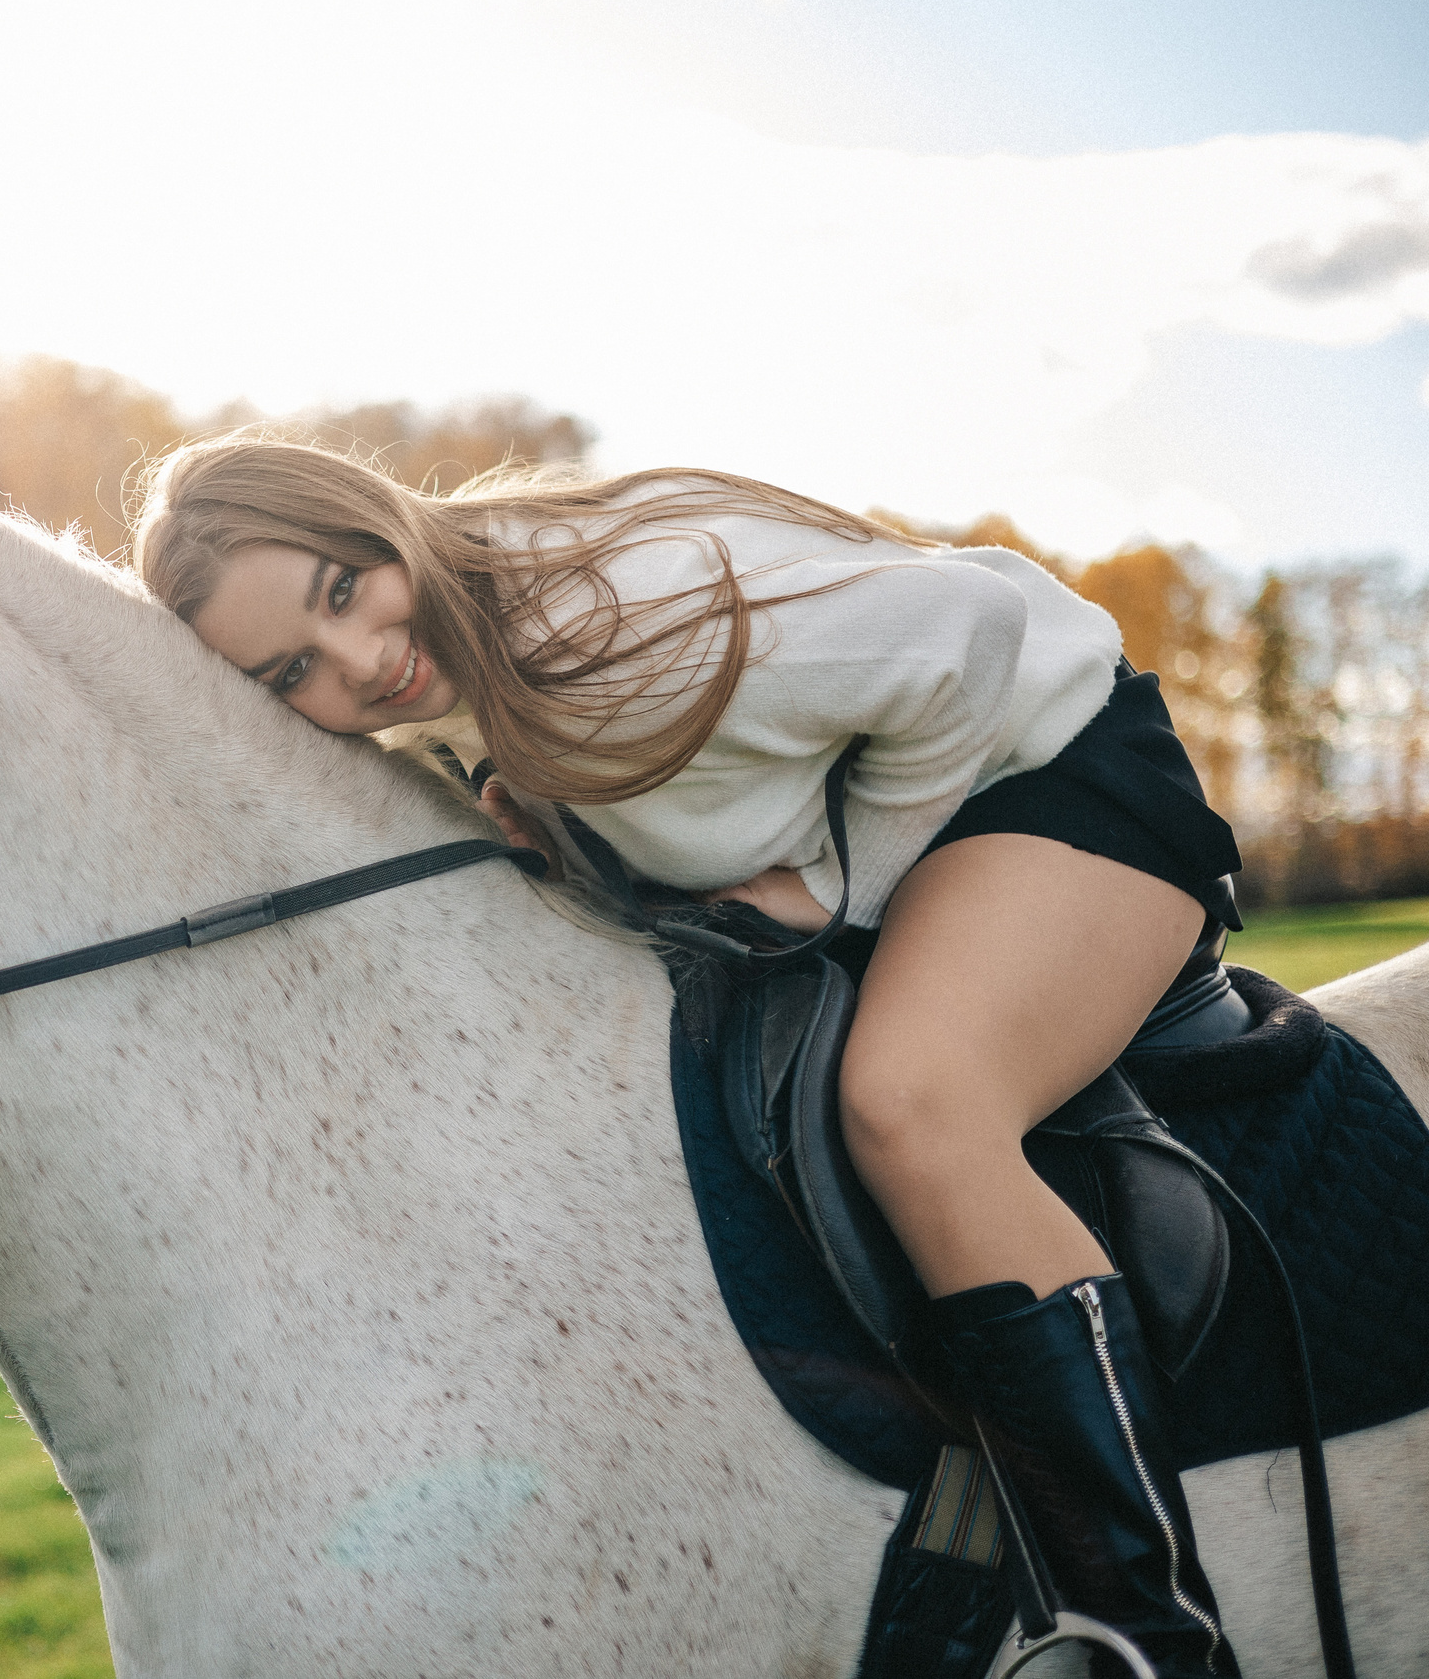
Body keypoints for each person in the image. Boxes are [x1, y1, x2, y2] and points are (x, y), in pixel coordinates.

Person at [133, 432, 1245, 1678]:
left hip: (1052, 763)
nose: (358, 662)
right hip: (931, 814)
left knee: (912, 1104)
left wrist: (834, 889)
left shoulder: (613, 616)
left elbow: (971, 635)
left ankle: (1145, 1629)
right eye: (295, 670)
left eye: (342, 591)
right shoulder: (473, 686)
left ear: (376, 522)